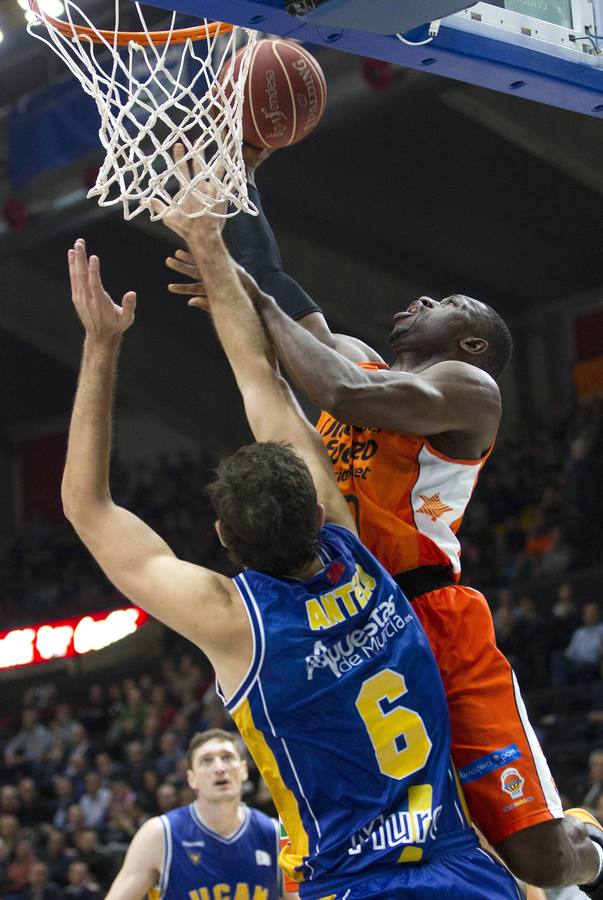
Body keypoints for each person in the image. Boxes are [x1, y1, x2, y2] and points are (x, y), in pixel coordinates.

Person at [164, 150, 603, 895]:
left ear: (470, 342)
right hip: (351, 607)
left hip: (431, 608)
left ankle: (589, 837)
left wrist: (253, 304)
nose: (421, 299)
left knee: (537, 857)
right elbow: (274, 280)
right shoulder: (365, 362)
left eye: (446, 302)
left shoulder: (468, 388)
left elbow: (337, 393)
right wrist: (237, 176)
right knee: (401, 821)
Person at [61, 198, 520, 898]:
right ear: (318, 505)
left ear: (222, 538)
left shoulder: (236, 623)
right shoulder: (358, 555)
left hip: (350, 883)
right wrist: (212, 252)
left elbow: (87, 506)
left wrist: (100, 346)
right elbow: (263, 381)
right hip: (460, 871)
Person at [106, 730, 284, 899]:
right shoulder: (160, 834)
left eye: (227, 757)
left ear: (244, 770)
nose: (219, 768)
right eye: (207, 761)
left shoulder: (275, 834)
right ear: (191, 778)